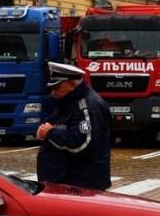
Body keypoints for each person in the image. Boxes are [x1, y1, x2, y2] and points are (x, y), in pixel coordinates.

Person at [36, 62, 112, 190]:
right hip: (64, 181)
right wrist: (42, 130)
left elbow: (82, 143)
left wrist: (50, 133)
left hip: (80, 185)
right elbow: (54, 124)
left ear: (71, 85)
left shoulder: (87, 105)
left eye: (57, 87)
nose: (53, 92)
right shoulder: (66, 101)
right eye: (52, 88)